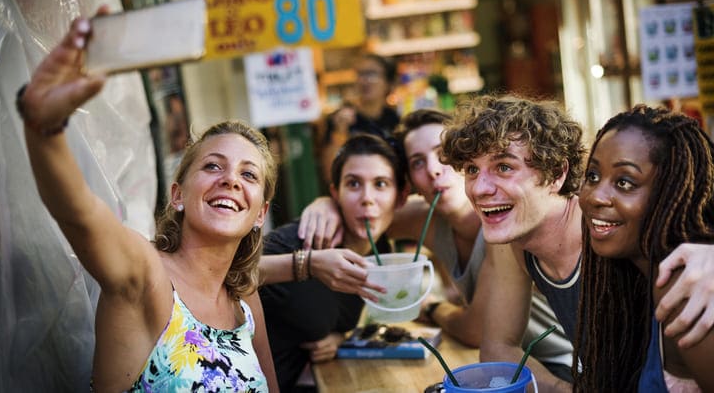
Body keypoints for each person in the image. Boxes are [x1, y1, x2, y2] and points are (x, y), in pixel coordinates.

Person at [16, 10, 279, 392]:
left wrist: (308, 264)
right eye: (212, 166)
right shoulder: (146, 276)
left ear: (261, 213)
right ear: (178, 195)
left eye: (248, 174)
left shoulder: (244, 303)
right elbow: (81, 215)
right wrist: (44, 129)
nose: (230, 181)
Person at [439, 94, 714, 392]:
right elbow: (497, 348)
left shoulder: (629, 242)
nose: (480, 188)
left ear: (558, 174)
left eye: (504, 167)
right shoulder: (513, 238)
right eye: (470, 170)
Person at [297, 109, 575, 380]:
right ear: (410, 184)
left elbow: (475, 330)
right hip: (509, 363)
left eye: (442, 155)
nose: (433, 170)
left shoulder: (505, 220)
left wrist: (430, 307)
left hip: (556, 362)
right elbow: (364, 216)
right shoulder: (425, 217)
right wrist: (327, 205)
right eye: (417, 162)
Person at [576, 105, 714, 391]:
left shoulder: (686, 287)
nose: (596, 197)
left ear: (671, 193)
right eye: (592, 176)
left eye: (625, 182)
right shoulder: (638, 276)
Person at [259, 134, 408, 391]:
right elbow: (226, 274)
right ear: (335, 193)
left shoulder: (380, 248)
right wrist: (307, 264)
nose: (367, 198)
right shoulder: (301, 240)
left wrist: (340, 337)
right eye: (353, 184)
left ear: (401, 196)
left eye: (381, 184)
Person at [320, 54, 400, 184]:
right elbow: (330, 173)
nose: (364, 80)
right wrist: (340, 131)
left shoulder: (395, 120)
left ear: (389, 82)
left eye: (371, 74)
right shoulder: (341, 118)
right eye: (360, 74)